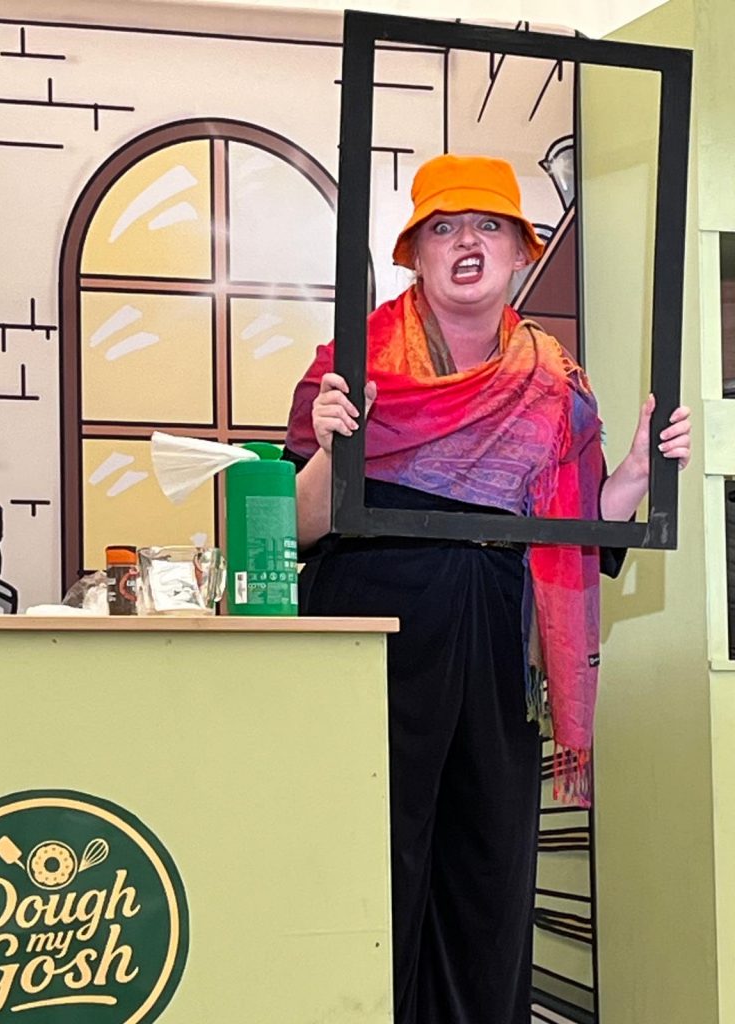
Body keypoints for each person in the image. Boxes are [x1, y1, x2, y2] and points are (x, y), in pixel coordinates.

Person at [282, 154, 691, 1024]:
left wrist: (635, 474)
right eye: (444, 226)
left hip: (502, 642)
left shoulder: (554, 379)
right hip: (372, 637)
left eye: (488, 225)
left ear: (516, 252)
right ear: (415, 253)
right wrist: (331, 445)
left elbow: (583, 533)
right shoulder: (353, 362)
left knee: (488, 873)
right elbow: (298, 531)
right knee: (370, 862)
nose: (466, 241)